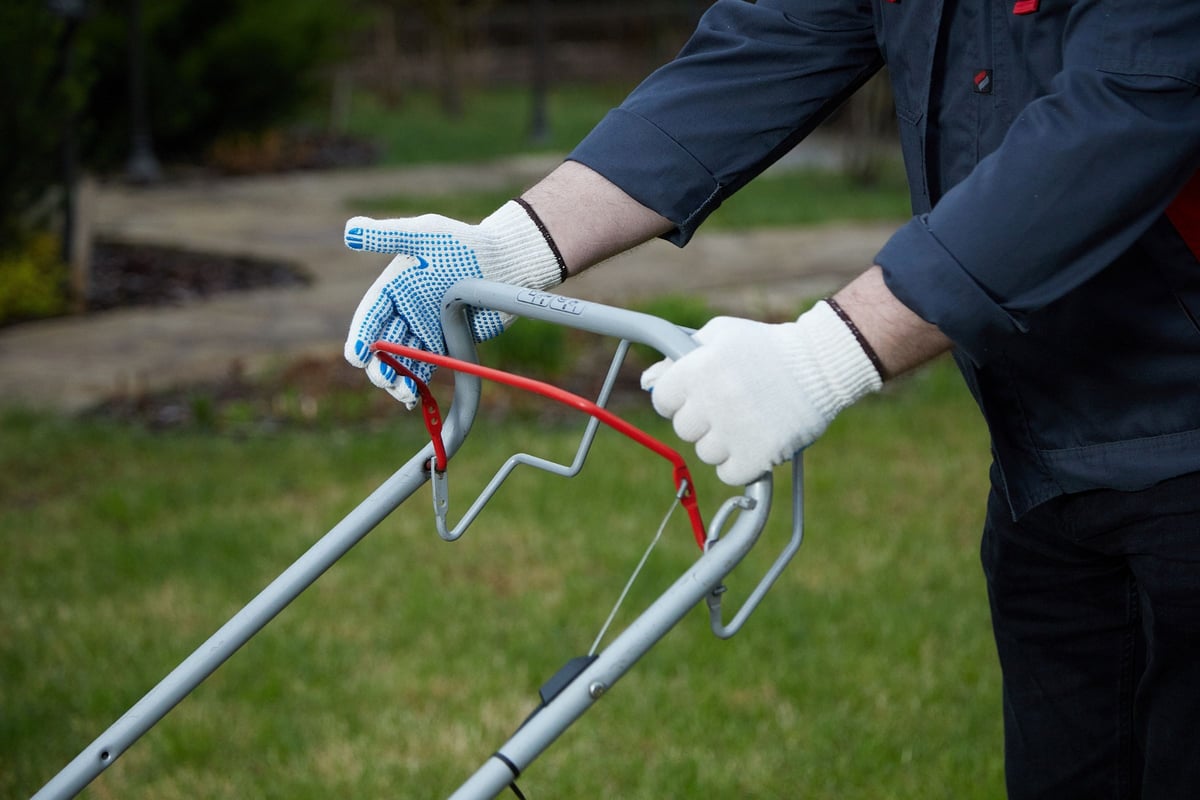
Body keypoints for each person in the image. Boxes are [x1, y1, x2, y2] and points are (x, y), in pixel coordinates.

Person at [341, 2, 1200, 797]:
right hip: (1048, 457)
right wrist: (510, 249)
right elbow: (769, 44)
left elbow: (1127, 107)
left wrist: (827, 355)